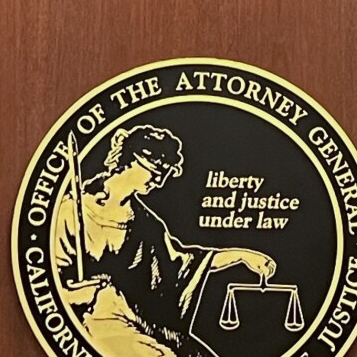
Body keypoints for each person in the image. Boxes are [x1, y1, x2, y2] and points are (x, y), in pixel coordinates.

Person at [51, 125, 276, 357]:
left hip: (139, 320)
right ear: (134, 159)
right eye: (156, 170)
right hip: (97, 325)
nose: (159, 181)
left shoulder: (145, 223)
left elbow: (186, 263)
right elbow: (49, 288)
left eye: (165, 173)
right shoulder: (72, 211)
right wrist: (84, 294)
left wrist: (241, 256)